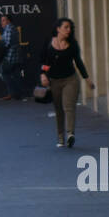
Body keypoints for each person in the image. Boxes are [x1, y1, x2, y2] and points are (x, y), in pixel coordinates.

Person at [39, 17, 93, 148]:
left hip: (70, 79)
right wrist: (43, 75)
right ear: (58, 29)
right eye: (66, 27)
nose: (68, 30)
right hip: (54, 81)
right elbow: (44, 62)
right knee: (59, 110)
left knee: (69, 106)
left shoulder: (72, 44)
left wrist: (87, 79)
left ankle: (70, 134)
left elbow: (78, 62)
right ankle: (60, 136)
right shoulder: (48, 43)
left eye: (70, 28)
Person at [0, 12, 25, 101]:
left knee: (3, 72)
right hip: (16, 57)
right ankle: (18, 95)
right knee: (16, 75)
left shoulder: (9, 28)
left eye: (3, 20)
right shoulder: (10, 29)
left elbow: (7, 43)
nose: (2, 22)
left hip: (11, 57)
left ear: (8, 21)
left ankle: (13, 93)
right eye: (1, 21)